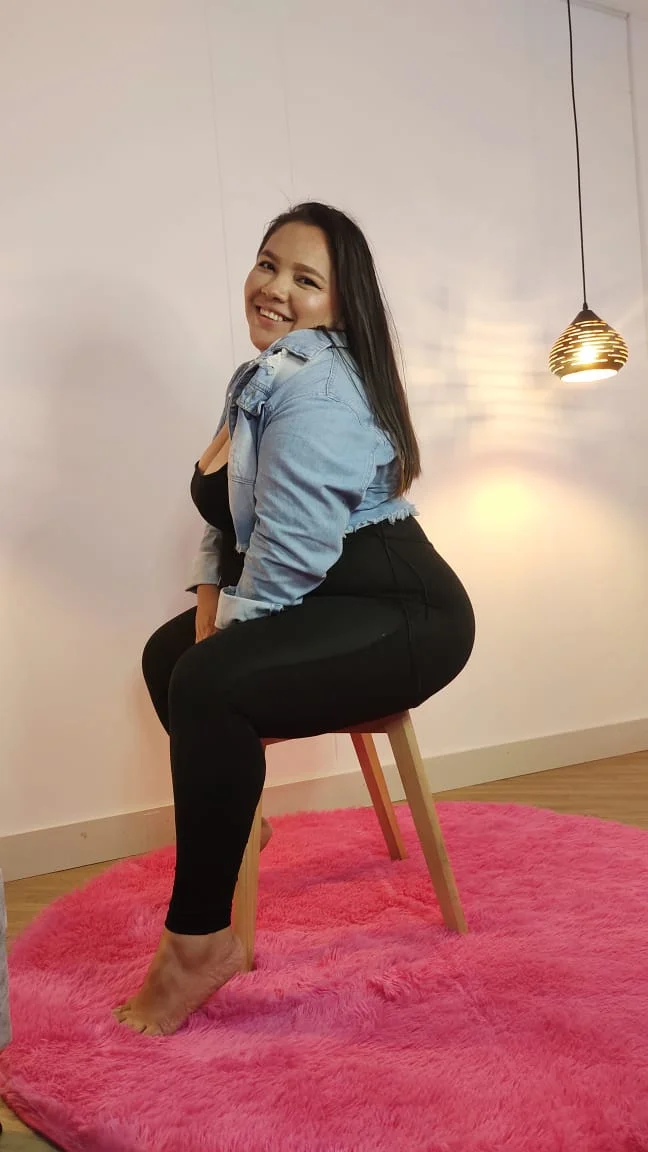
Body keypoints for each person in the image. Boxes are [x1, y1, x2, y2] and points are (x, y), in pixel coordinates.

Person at [114, 202, 475, 1036]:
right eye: (268, 263)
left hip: (403, 609)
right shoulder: (262, 375)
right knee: (170, 656)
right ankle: (236, 815)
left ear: (341, 306)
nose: (274, 287)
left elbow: (289, 555)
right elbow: (228, 527)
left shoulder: (317, 384)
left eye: (305, 279)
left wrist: (221, 656)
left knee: (209, 683)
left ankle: (197, 945)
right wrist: (208, 624)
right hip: (332, 593)